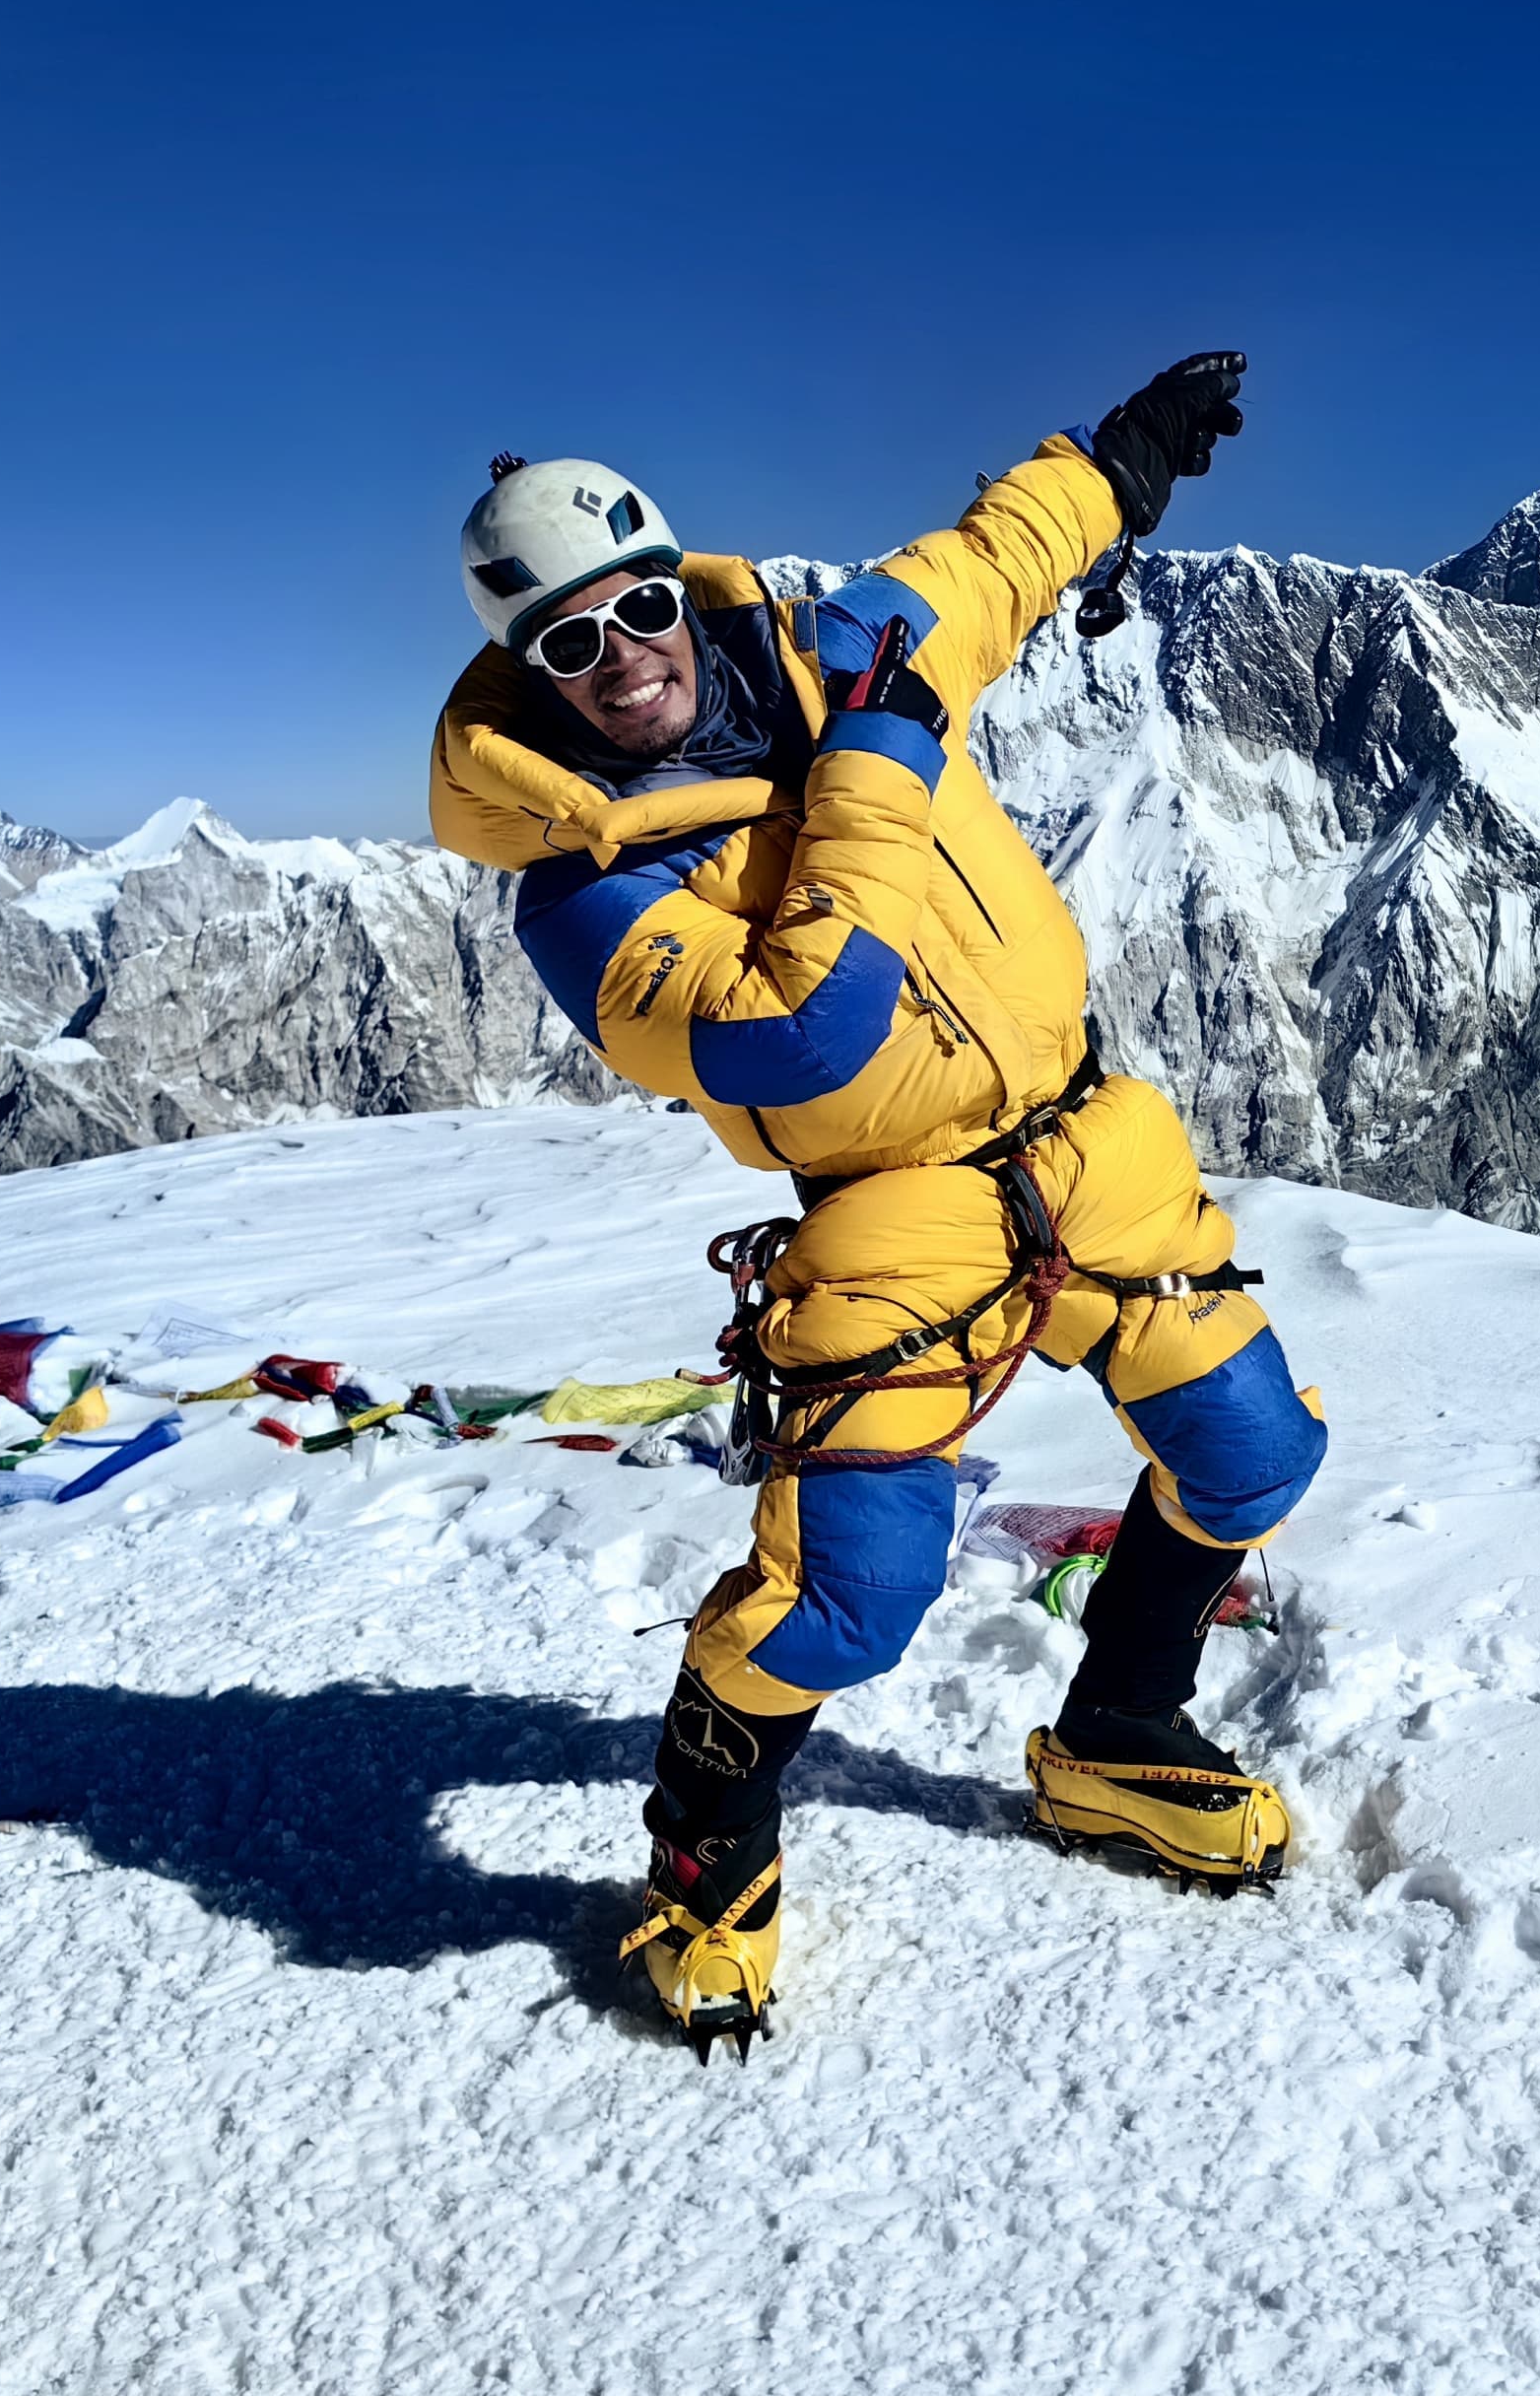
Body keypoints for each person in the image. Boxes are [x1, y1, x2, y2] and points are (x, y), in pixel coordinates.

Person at [424, 352, 1322, 2055]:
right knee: (848, 1593)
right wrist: (880, 763)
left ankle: (1122, 1733)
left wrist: (1121, 461)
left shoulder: (849, 645)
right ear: (515, 667)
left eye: (628, 613)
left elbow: (998, 555)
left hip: (1083, 1131)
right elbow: (798, 1027)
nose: (615, 665)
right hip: (885, 1206)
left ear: (671, 585)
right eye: (560, 645)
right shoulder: (583, 889)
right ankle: (707, 1871)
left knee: (1254, 1448)